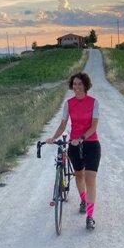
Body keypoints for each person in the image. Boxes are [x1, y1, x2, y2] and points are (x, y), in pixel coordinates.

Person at [46, 72, 101, 230]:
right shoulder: (68, 103)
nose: (76, 87)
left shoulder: (94, 102)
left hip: (91, 144)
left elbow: (94, 127)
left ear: (85, 85)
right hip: (74, 145)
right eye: (74, 84)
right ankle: (83, 200)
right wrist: (53, 137)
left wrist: (82, 138)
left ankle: (90, 217)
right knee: (78, 175)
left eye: (79, 84)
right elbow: (63, 125)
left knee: (90, 179)